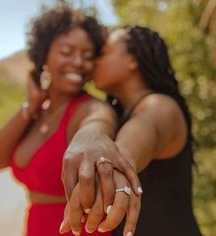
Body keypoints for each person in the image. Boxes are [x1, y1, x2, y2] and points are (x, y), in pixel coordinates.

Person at [0, 6, 141, 236]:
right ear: (43, 57)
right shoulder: (37, 113)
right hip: (37, 226)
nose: (78, 62)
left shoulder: (91, 108)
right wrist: (31, 104)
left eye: (88, 56)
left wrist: (95, 136)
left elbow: (99, 123)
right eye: (67, 52)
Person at [60, 25, 202, 236]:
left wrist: (116, 163)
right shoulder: (121, 113)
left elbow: (141, 134)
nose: (94, 62)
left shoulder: (161, 106)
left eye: (103, 53)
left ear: (132, 60)